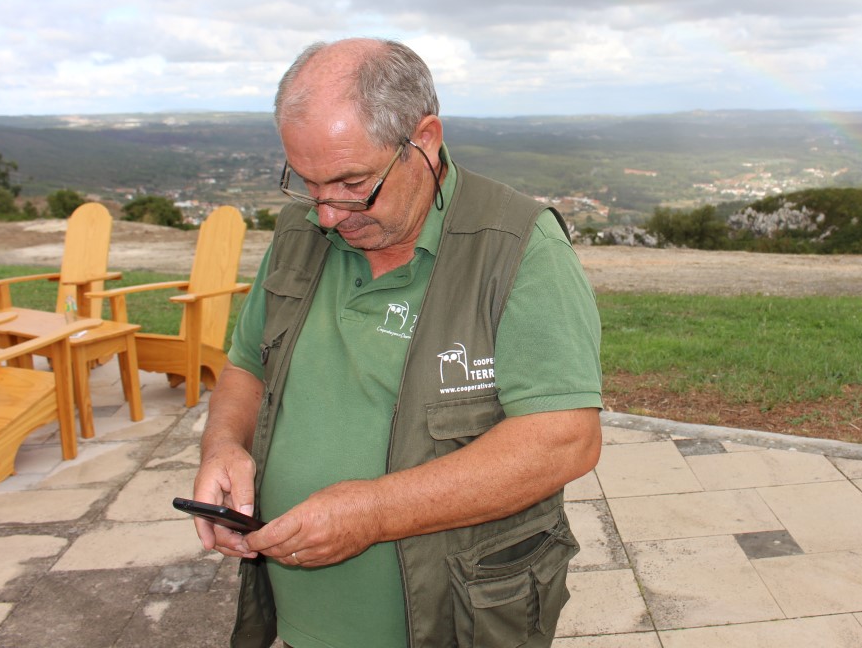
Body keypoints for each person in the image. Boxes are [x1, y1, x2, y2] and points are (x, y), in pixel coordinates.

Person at [192, 38, 603, 648]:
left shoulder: (519, 247)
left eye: (353, 183)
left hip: (456, 623)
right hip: (301, 624)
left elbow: (564, 440)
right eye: (305, 183)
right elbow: (248, 366)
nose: (327, 213)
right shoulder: (298, 232)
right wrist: (224, 447)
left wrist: (374, 512)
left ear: (426, 139)